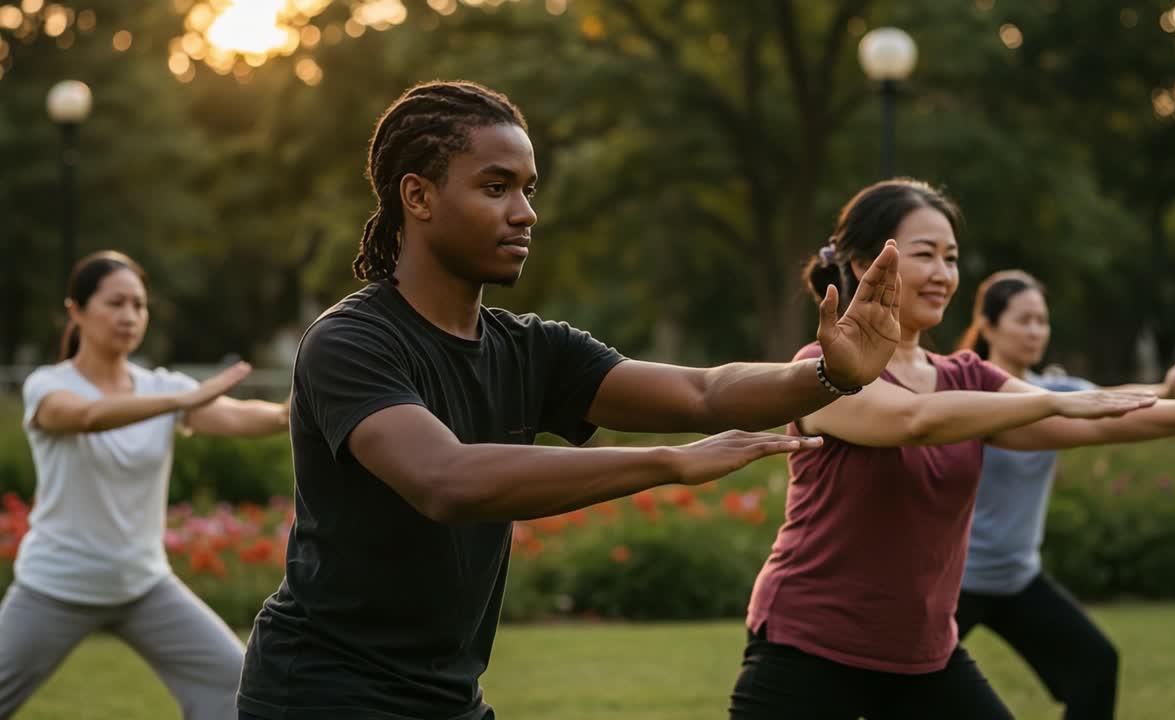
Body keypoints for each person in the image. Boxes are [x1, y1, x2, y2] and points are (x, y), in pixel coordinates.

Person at [236, 80, 906, 720]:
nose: (525, 212)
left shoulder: (533, 349)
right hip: (323, 693)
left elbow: (703, 391)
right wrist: (667, 464)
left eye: (528, 190)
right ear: (418, 196)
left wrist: (830, 376)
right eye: (495, 188)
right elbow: (445, 480)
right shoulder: (350, 342)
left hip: (446, 697)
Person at [729, 179, 1175, 719]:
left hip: (921, 657)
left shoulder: (967, 375)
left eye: (952, 257)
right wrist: (1051, 403)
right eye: (926, 255)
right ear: (861, 265)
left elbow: (1094, 424)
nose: (943, 274)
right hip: (809, 647)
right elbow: (912, 420)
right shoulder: (821, 370)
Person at [0, 250, 290, 719]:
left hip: (144, 587)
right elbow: (86, 416)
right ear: (76, 310)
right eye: (115, 303)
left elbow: (245, 417)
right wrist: (181, 399)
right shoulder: (47, 385)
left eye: (138, 305)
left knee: (237, 684)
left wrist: (294, 408)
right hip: (55, 587)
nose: (129, 316)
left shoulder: (160, 388)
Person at [953, 269, 1175, 720]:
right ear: (988, 325)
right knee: (897, 686)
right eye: (1024, 320)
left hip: (1017, 578)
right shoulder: (961, 391)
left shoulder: (1058, 392)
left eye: (1042, 321)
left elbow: (1109, 402)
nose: (1036, 331)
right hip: (954, 581)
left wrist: (1171, 392)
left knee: (1095, 666)